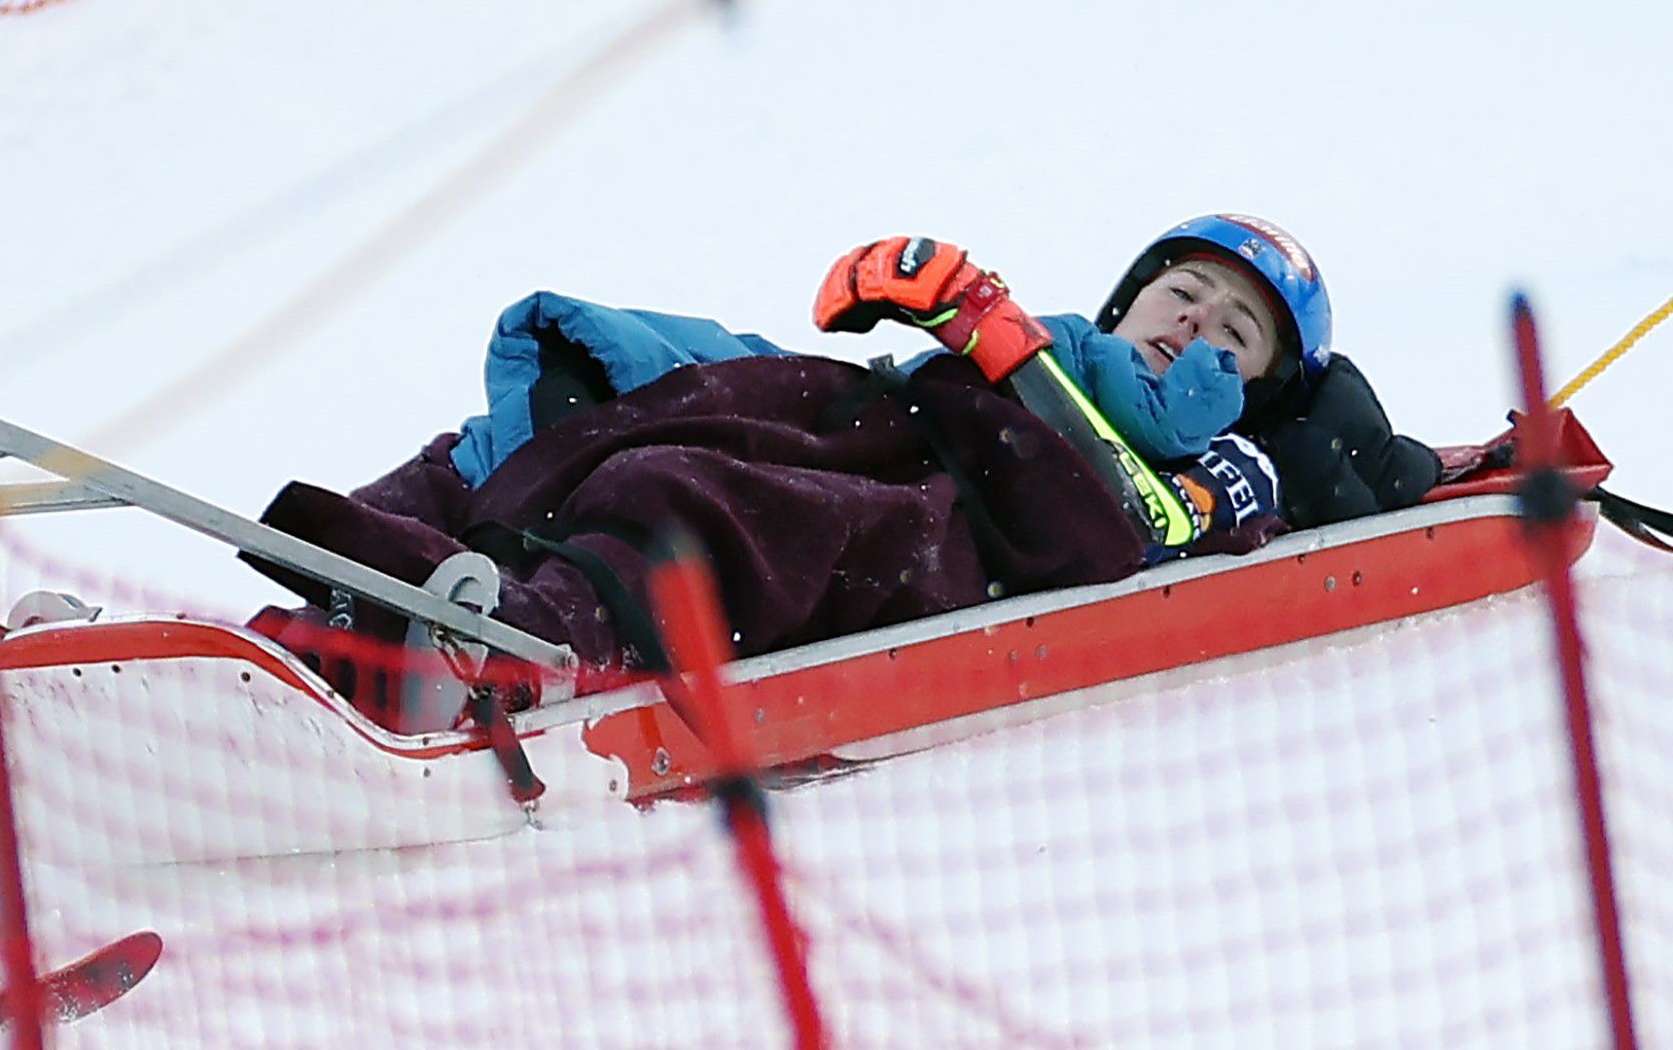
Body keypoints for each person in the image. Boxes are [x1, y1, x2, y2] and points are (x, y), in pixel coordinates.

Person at [246, 214, 1444, 708]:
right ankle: (286, 636)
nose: (1194, 324)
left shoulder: (1239, 462)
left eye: (1234, 333)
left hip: (943, 514)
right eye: (1183, 293)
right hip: (871, 414)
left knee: (688, 495)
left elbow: (1138, 522)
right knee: (588, 403)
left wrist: (1001, 341)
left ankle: (524, 639)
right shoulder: (1063, 347)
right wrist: (990, 342)